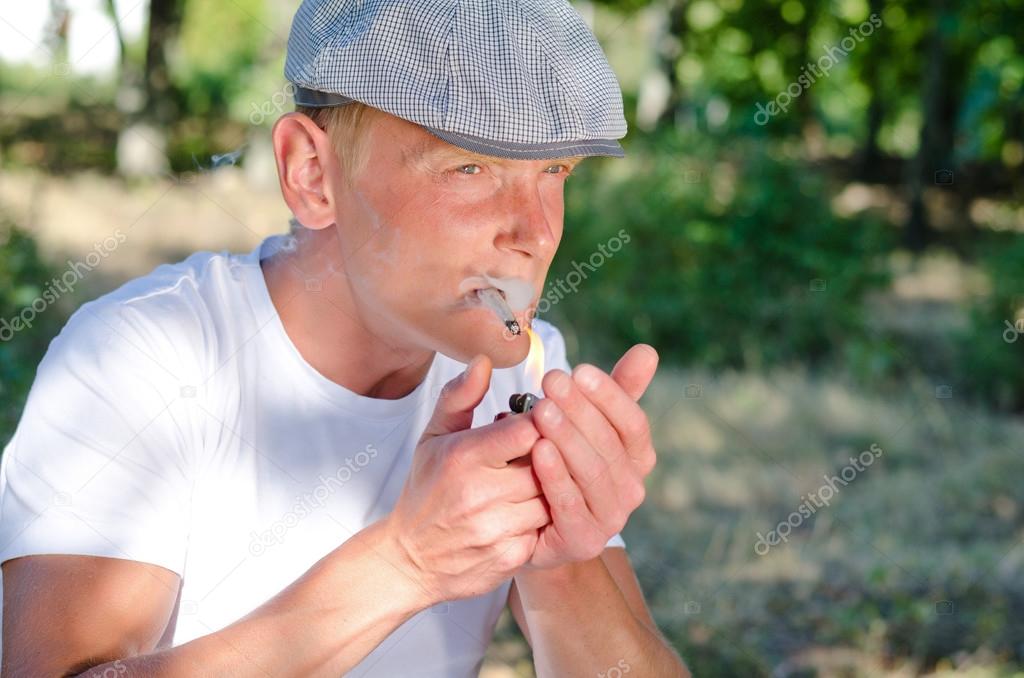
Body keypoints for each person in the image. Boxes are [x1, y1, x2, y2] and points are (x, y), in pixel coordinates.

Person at [0, 1, 689, 675]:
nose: (537, 233)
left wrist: (559, 559)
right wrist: (405, 565)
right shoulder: (144, 355)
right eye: (470, 168)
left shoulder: (523, 381)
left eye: (554, 172)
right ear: (311, 174)